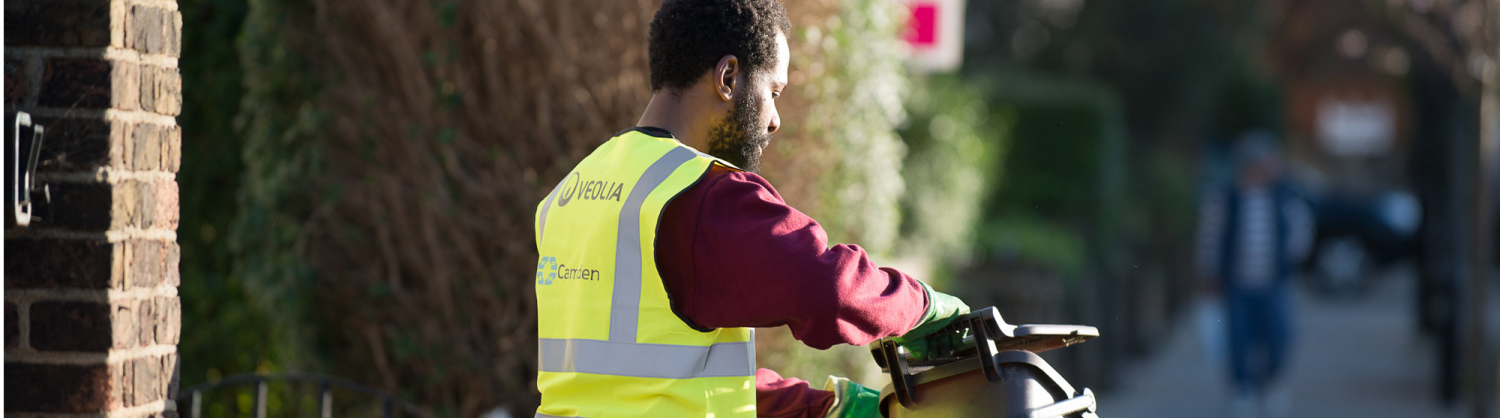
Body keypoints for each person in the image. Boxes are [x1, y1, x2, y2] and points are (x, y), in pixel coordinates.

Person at [531, 1, 971, 417]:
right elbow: (829, 288)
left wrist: (821, 408)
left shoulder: (573, 190)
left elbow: (659, 376)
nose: (775, 118)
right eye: (773, 90)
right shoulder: (701, 195)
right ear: (727, 77)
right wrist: (923, 307)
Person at [1195, 131, 1314, 417]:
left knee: (1279, 336)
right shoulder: (1226, 196)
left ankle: (1271, 385)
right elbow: (1210, 236)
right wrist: (1210, 271)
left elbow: (1301, 228)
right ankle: (1242, 389)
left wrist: (1293, 258)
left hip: (1273, 281)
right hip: (1237, 282)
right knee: (1238, 337)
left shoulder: (1284, 195)